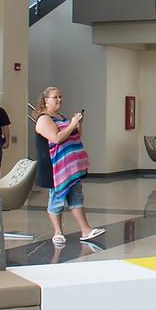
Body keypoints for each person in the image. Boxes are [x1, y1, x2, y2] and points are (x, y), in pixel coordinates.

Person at [34, 86, 106, 246]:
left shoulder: (61, 117)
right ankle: (57, 232)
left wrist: (78, 124)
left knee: (76, 196)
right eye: (55, 97)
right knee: (57, 197)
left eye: (60, 97)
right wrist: (72, 124)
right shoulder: (44, 119)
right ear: (46, 100)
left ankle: (85, 230)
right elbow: (57, 138)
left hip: (71, 166)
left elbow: (75, 136)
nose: (59, 100)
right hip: (55, 167)